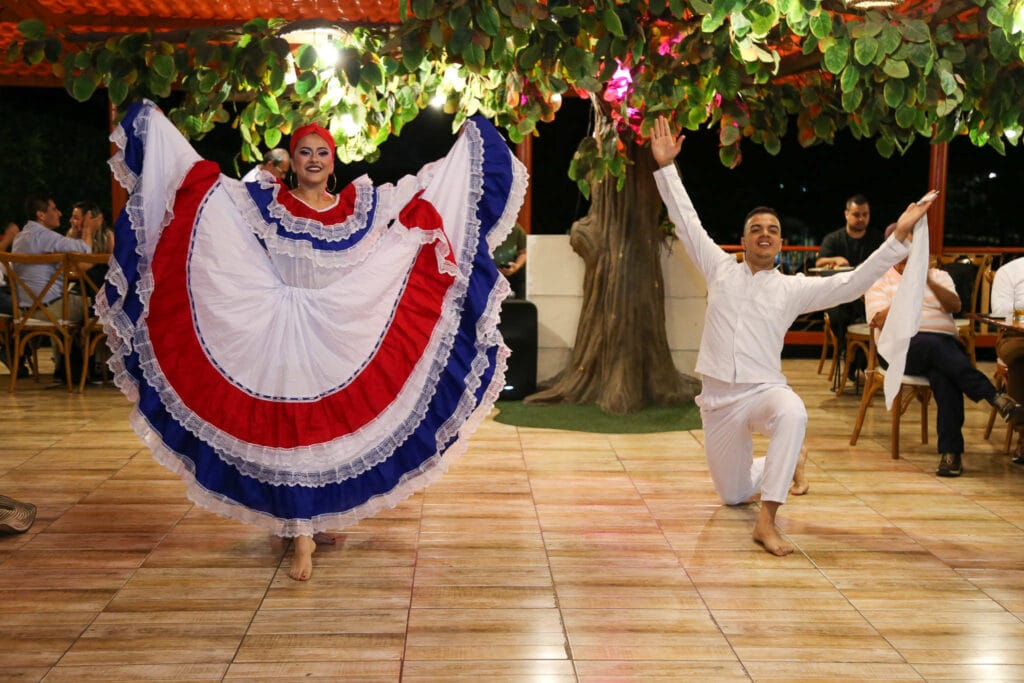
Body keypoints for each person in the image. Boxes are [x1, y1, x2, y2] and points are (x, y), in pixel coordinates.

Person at [101, 100, 526, 580]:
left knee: (322, 431)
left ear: (333, 160)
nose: (314, 160)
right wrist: (164, 138)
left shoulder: (358, 207)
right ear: (293, 160)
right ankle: (299, 534)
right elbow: (213, 194)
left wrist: (462, 153)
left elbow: (415, 192)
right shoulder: (265, 201)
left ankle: (310, 522)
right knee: (288, 432)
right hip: (279, 327)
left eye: (322, 152)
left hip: (333, 330)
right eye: (304, 152)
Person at [650, 115, 935, 556]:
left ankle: (767, 521)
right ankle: (787, 461)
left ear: (781, 243)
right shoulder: (719, 267)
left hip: (762, 391)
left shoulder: (792, 288)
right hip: (719, 400)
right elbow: (686, 220)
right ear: (743, 240)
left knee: (793, 413)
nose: (764, 234)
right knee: (731, 495)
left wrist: (898, 237)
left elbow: (853, 283)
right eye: (756, 229)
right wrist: (667, 166)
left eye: (773, 230)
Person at [866, 226, 1022, 477]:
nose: (909, 253)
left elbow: (955, 305)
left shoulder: (938, 276)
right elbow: (879, 320)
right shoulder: (879, 280)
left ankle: (951, 455)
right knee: (937, 348)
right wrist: (910, 288)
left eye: (913, 247)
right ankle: (993, 396)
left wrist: (927, 281)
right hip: (902, 349)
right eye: (903, 248)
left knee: (944, 373)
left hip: (942, 346)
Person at [815, 195, 883, 384]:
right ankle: (853, 362)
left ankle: (868, 365)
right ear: (846, 214)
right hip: (838, 297)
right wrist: (835, 259)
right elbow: (819, 263)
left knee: (877, 316)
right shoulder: (834, 238)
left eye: (865, 214)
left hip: (867, 296)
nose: (861, 218)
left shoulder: (876, 239)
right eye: (856, 214)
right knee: (841, 318)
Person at [986, 256, 1024, 464]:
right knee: (1019, 356)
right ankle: (1023, 435)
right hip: (1015, 335)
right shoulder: (1010, 272)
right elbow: (1001, 313)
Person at [492, 222, 527, 298]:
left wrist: (517, 266)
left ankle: (521, 302)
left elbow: (523, 253)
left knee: (524, 275)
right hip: (488, 271)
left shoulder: (516, 228)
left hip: (511, 272)